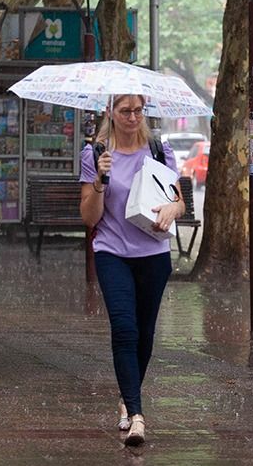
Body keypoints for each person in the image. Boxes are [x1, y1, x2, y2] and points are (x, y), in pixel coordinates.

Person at [79, 94, 185, 447]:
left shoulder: (158, 149)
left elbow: (177, 199)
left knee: (145, 334)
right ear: (111, 111)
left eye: (138, 110)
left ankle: (127, 397)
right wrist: (100, 179)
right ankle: (137, 415)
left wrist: (173, 209)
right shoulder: (95, 154)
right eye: (125, 111)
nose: (133, 117)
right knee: (125, 329)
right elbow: (89, 218)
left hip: (153, 252)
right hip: (112, 252)